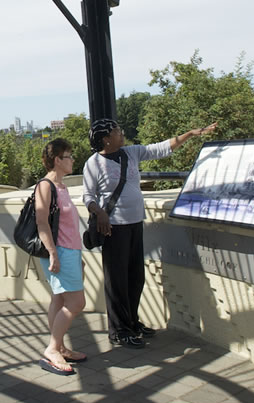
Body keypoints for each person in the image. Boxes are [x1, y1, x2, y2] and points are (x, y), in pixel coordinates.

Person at [83, 117, 217, 348]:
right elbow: (88, 196)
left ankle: (133, 322)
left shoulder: (130, 153)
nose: (121, 133)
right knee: (117, 282)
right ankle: (119, 330)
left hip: (135, 223)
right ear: (106, 139)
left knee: (135, 277)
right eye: (117, 131)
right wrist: (99, 212)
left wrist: (190, 134)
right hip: (113, 228)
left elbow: (162, 148)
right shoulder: (93, 164)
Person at [34, 138, 87, 376]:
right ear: (57, 160)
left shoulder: (62, 187)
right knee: (76, 303)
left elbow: (68, 226)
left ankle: (61, 347)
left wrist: (77, 256)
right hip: (60, 252)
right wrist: (54, 254)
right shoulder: (46, 186)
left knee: (59, 300)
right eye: (69, 156)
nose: (73, 159)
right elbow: (41, 223)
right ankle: (53, 349)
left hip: (70, 252)